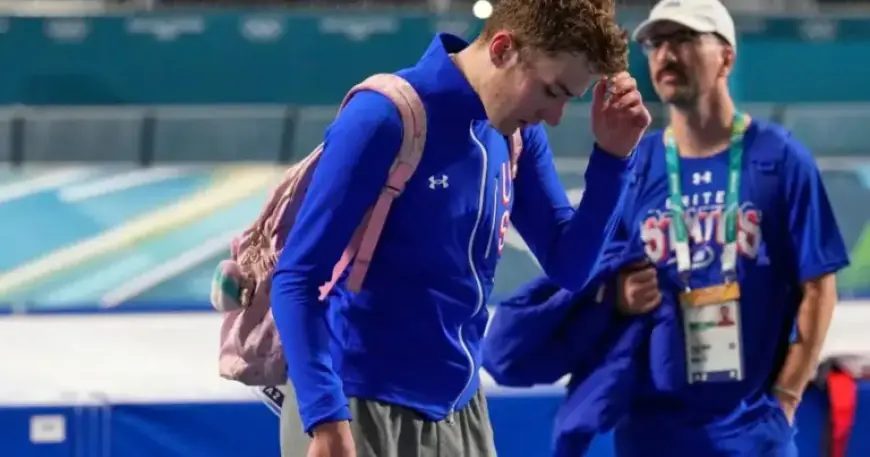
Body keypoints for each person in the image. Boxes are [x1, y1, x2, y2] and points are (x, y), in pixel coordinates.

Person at [269, 0, 653, 456]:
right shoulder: (383, 118)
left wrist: (613, 158)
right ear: (503, 49)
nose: (554, 117)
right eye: (552, 92)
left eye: (569, 98)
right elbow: (297, 276)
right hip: (356, 403)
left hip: (460, 408)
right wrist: (324, 416)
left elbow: (570, 267)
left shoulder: (517, 134)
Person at [483, 0, 850, 456]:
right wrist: (617, 295)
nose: (665, 54)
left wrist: (786, 399)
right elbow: (592, 272)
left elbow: (819, 285)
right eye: (656, 42)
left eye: (684, 39)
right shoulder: (637, 163)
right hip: (651, 432)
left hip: (754, 431)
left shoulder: (779, 158)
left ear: (727, 57)